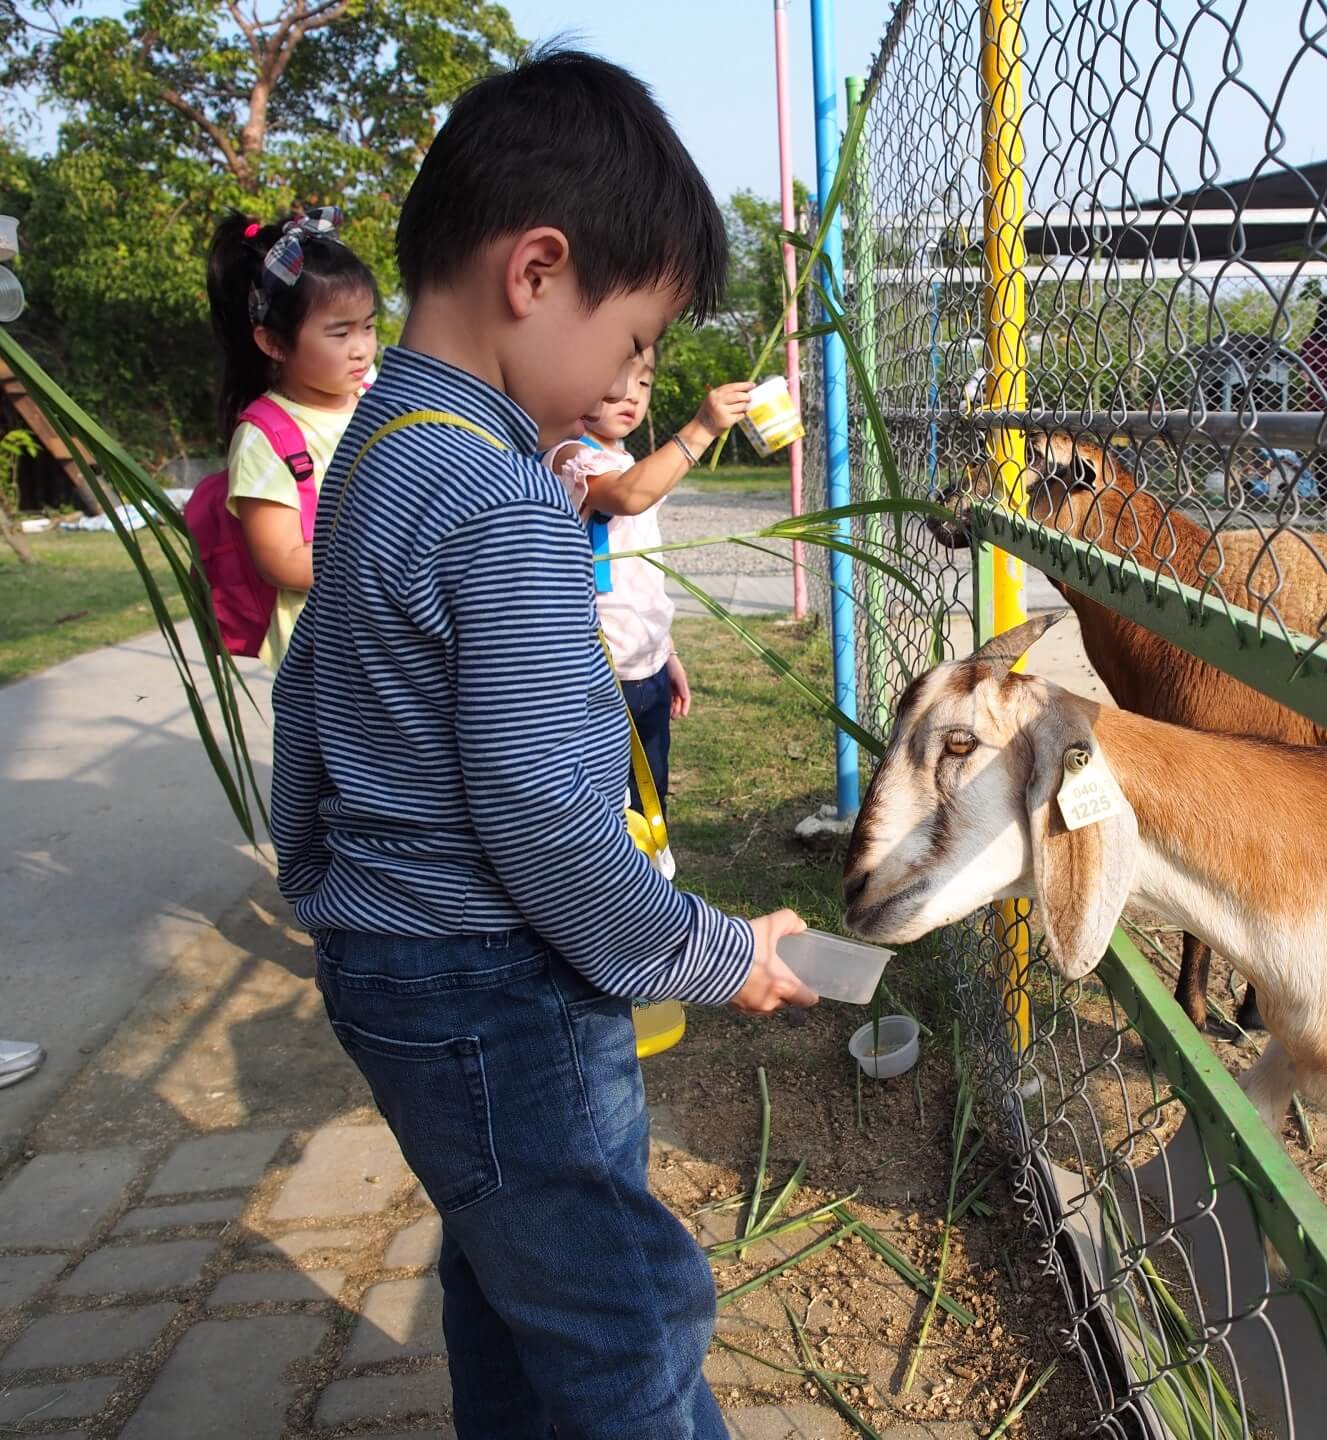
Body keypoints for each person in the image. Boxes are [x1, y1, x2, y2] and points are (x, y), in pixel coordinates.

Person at [268, 49, 816, 1440]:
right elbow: (547, 820)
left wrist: (323, 877)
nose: (631, 379)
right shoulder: (504, 498)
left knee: (512, 1272)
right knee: (625, 1318)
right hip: (497, 991)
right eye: (633, 341)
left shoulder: (379, 449)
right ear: (537, 271)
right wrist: (716, 951)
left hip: (392, 966)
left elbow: (308, 693)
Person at [547, 349, 751, 815]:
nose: (631, 396)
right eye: (617, 379)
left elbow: (641, 576)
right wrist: (702, 428)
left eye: (644, 383)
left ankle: (652, 860)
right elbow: (627, 495)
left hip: (647, 664)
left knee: (650, 798)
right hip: (599, 673)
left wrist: (667, 653)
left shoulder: (626, 459)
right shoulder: (568, 457)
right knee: (604, 807)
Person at [206, 208, 378, 669]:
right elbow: (280, 560)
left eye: (368, 326)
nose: (362, 348)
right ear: (274, 343)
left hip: (384, 634)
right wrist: (382, 560)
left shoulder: (371, 393)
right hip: (324, 658)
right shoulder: (264, 438)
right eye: (340, 333)